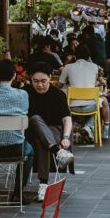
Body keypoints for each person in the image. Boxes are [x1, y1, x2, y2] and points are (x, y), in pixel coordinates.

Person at [0, 58, 35, 204]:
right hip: (16, 149)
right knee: (30, 151)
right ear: (14, 76)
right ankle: (18, 192)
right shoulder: (23, 95)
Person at [26, 63, 74, 203]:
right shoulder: (26, 93)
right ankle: (57, 152)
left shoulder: (58, 94)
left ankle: (43, 184)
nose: (39, 85)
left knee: (42, 143)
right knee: (35, 118)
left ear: (49, 78)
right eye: (35, 81)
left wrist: (66, 137)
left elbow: (67, 118)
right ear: (31, 79)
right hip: (31, 130)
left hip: (53, 130)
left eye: (43, 81)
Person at [59, 44, 110, 142]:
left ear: (75, 55)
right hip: (91, 106)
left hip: (72, 106)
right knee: (103, 101)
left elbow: (60, 85)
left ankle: (64, 131)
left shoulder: (68, 67)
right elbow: (95, 83)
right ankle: (97, 128)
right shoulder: (95, 67)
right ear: (88, 56)